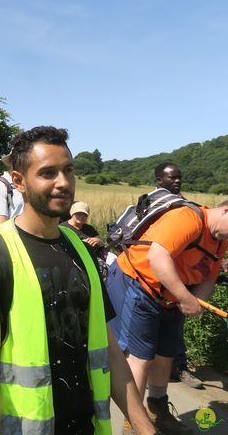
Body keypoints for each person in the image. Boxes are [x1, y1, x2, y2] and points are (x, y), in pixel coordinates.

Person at [0, 126, 155, 435]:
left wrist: (146, 429)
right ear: (18, 181)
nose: (63, 183)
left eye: (68, 170)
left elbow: (111, 352)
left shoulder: (82, 251)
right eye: (48, 173)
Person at [107, 174, 228, 433]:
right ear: (226, 211)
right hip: (137, 283)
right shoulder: (187, 218)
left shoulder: (221, 238)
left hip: (172, 295)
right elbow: (157, 256)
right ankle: (134, 424)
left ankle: (157, 410)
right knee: (139, 358)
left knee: (165, 355)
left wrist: (196, 302)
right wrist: (186, 298)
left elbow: (210, 276)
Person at [152, 162, 203, 389]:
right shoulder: (156, 204)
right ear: (158, 180)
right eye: (172, 178)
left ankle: (179, 367)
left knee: (175, 325)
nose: (177, 181)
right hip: (154, 277)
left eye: (179, 177)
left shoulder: (185, 205)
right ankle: (156, 371)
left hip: (180, 275)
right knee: (155, 326)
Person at [60, 201, 109, 281]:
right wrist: (81, 244)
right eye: (78, 214)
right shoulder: (62, 228)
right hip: (71, 260)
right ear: (72, 214)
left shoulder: (89, 229)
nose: (81, 216)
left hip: (91, 259)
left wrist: (97, 241)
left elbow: (102, 243)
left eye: (84, 214)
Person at [0, 149, 24, 227]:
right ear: (10, 162)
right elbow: (1, 225)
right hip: (12, 237)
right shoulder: (1, 185)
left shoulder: (28, 183)